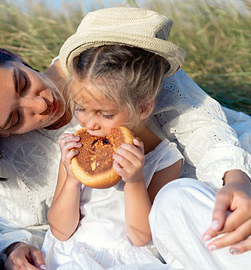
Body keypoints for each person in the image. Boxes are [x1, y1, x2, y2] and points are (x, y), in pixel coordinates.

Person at [0, 7, 251, 269]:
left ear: (13, 55)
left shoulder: (107, 56)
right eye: (14, 118)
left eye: (22, 83)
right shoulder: (14, 156)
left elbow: (205, 130)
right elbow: (22, 225)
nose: (38, 103)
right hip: (189, 225)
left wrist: (240, 184)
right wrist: (18, 249)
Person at [41, 44, 184, 269]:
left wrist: (135, 181)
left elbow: (142, 237)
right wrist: (71, 178)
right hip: (72, 253)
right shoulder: (75, 146)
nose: (89, 123)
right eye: (81, 108)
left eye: (106, 114)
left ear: (144, 108)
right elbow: (60, 230)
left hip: (128, 259)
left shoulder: (165, 159)